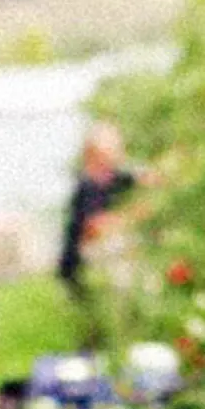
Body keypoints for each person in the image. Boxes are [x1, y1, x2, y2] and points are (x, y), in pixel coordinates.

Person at [56, 121, 135, 297]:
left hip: (91, 252)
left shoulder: (111, 176)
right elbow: (94, 227)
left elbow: (141, 177)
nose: (119, 152)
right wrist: (133, 215)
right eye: (114, 148)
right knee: (122, 250)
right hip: (79, 264)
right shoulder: (89, 185)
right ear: (95, 155)